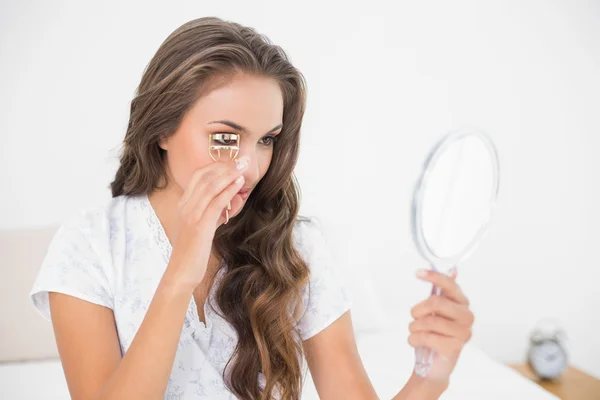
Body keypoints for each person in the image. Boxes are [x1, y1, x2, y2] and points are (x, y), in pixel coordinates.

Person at [29, 16, 474, 400]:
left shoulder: (297, 245)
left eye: (267, 140)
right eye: (225, 137)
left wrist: (430, 378)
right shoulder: (89, 245)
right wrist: (182, 268)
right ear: (162, 129)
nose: (249, 166)